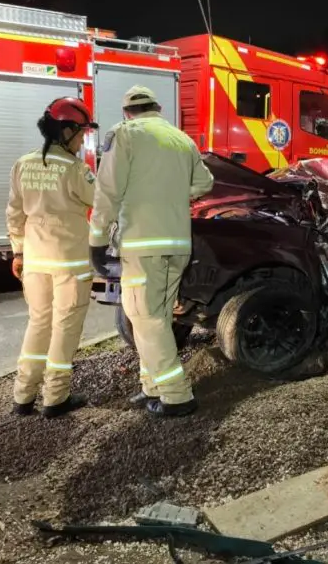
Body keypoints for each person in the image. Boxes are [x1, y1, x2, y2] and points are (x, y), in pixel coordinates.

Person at [90, 85, 214, 418]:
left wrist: (97, 239)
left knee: (146, 319)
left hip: (143, 244)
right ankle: (152, 386)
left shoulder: (125, 135)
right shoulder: (181, 139)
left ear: (127, 112)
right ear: (157, 108)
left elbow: (107, 190)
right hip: (177, 244)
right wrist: (171, 192)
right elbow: (205, 184)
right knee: (152, 318)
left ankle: (177, 395)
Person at [6, 98, 98, 418]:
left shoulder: (23, 164)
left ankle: (23, 396)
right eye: (81, 133)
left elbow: (15, 214)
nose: (83, 139)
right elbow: (101, 205)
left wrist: (18, 251)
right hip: (69, 265)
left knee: (38, 324)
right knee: (64, 329)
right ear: (67, 130)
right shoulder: (76, 169)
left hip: (34, 261)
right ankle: (55, 398)